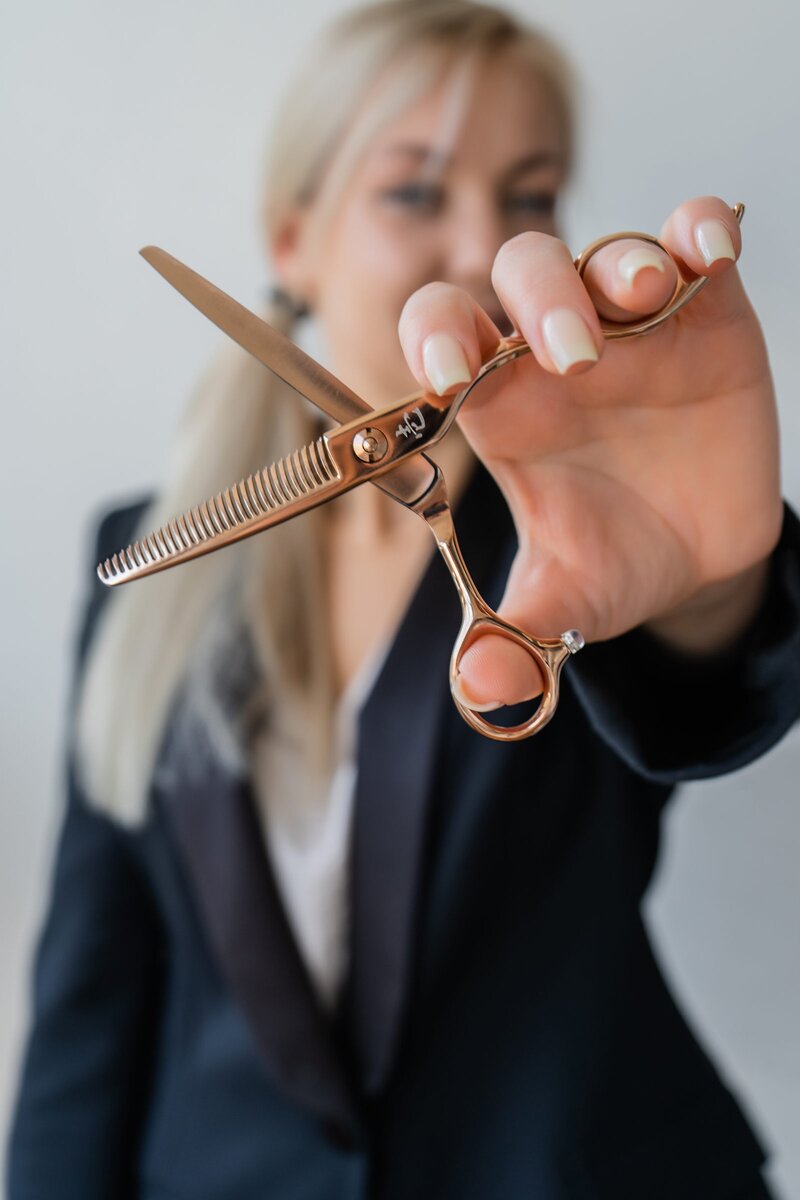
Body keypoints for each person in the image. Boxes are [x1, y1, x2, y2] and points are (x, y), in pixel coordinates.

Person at [7, 1, 800, 1197]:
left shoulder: (576, 527)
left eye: (528, 195)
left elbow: (694, 697)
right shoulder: (142, 554)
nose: (480, 241)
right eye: (414, 193)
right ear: (291, 237)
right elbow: (90, 996)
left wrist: (712, 584)